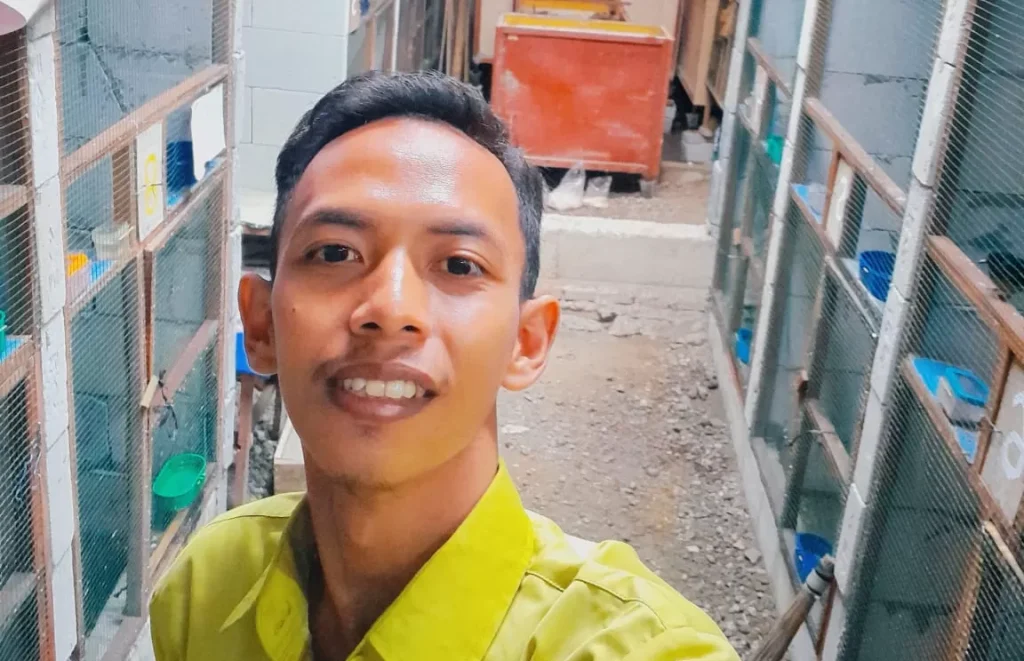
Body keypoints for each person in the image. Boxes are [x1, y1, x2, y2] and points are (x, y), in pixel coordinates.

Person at [150, 70, 739, 661]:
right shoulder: (207, 590)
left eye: (459, 265)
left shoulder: (638, 648)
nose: (390, 309)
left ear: (526, 342)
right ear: (261, 326)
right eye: (334, 252)